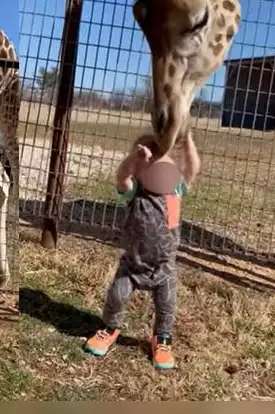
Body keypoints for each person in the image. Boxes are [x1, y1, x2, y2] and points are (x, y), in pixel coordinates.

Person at [84, 130, 201, 370]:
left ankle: (163, 338)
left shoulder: (176, 191)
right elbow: (121, 176)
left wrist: (188, 139)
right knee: (117, 296)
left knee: (167, 305)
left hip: (164, 267)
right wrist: (134, 159)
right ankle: (110, 327)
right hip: (132, 265)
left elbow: (193, 169)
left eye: (165, 163)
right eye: (153, 164)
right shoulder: (134, 192)